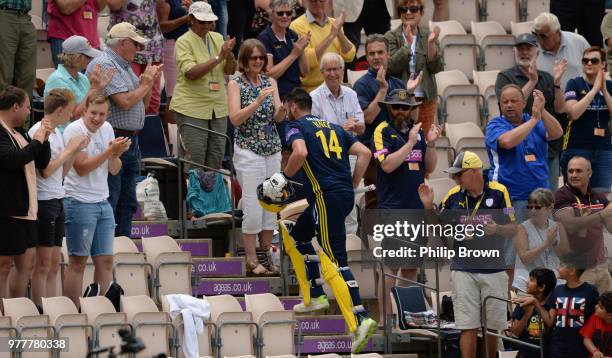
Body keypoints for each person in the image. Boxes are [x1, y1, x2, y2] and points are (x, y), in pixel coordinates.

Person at [271, 87, 376, 353]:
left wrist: (281, 180)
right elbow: (365, 153)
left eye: (285, 107)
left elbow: (300, 153)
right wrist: (352, 184)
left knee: (336, 258)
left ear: (293, 106)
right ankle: (316, 294)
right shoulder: (334, 127)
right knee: (297, 234)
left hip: (325, 197)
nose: (285, 113)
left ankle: (360, 318)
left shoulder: (295, 126)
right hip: (341, 196)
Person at [419, 150, 517, 358]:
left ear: (474, 172)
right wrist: (428, 206)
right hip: (463, 269)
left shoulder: (500, 192)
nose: (455, 179)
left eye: (459, 174)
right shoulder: (453, 196)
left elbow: (513, 227)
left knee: (492, 326)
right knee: (467, 325)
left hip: (494, 269)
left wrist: (497, 229)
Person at [86, 22, 163, 237]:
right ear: (122, 43)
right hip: (115, 139)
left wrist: (148, 82)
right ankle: (108, 248)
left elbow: (143, 104)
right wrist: (145, 85)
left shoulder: (124, 65)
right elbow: (125, 102)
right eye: (135, 44)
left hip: (131, 140)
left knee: (128, 201)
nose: (138, 49)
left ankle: (123, 246)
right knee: (113, 196)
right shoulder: (106, 64)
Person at [372, 88, 441, 322]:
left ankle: (407, 316)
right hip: (394, 208)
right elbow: (387, 166)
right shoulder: (382, 130)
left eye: (405, 107)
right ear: (388, 109)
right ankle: (384, 318)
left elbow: (429, 168)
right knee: (391, 265)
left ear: (411, 110)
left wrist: (429, 144)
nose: (400, 111)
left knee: (411, 267)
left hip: (416, 207)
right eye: (396, 107)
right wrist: (410, 143)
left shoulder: (418, 133)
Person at [62, 93, 130, 306]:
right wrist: (110, 150)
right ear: (84, 110)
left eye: (102, 114)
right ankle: (72, 312)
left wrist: (116, 155)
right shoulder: (74, 130)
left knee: (106, 261)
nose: (97, 118)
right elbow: (81, 168)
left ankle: (100, 309)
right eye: (93, 113)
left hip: (102, 201)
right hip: (78, 201)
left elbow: (114, 169)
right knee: (78, 261)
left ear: (107, 114)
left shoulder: (107, 128)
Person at [227, 39, 285, 275]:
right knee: (252, 204)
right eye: (254, 58)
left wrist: (282, 111)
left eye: (261, 57)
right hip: (248, 149)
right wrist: (257, 102)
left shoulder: (270, 81)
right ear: (244, 60)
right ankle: (251, 258)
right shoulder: (235, 84)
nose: (258, 61)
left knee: (271, 203)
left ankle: (268, 252)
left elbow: (278, 117)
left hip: (272, 147)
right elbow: (235, 119)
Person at [27, 89, 89, 306]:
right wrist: (68, 150)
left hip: (57, 197)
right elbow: (45, 171)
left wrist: (74, 151)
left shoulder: (58, 133)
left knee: (54, 262)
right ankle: (40, 307)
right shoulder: (39, 131)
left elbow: (61, 173)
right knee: (42, 263)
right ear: (61, 110)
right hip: (44, 201)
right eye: (71, 110)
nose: (72, 114)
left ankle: (52, 307)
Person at [354, 34, 420, 209]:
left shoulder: (398, 83)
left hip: (400, 149)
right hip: (375, 153)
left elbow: (413, 118)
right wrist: (382, 90)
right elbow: (367, 118)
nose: (376, 57)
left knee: (402, 198)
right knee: (377, 202)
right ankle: (373, 237)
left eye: (380, 52)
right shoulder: (361, 85)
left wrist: (411, 93)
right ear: (367, 57)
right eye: (371, 53)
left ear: (388, 54)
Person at [495, 33, 567, 191]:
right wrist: (532, 81)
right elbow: (509, 105)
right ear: (515, 52)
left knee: (548, 197)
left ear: (538, 52)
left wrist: (556, 83)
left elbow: (560, 108)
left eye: (529, 48)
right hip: (519, 146)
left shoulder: (547, 77)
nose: (524, 52)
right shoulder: (505, 76)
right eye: (520, 48)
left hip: (547, 145)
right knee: (522, 197)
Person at [170, 1, 236, 171]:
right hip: (192, 106)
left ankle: (211, 198)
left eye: (209, 22)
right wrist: (219, 57)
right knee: (196, 160)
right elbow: (191, 73)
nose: (206, 26)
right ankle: (194, 198)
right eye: (202, 21)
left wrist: (229, 57)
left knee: (216, 158)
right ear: (191, 19)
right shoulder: (183, 41)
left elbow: (229, 70)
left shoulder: (218, 37)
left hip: (217, 106)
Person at [0, 86, 51, 298]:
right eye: (27, 107)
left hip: (26, 208)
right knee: (3, 265)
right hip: (7, 209)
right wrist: (37, 140)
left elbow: (40, 161)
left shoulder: (19, 131)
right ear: (15, 107)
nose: (29, 112)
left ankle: (18, 310)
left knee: (26, 265)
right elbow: (11, 160)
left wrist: (44, 138)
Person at [311, 52, 364, 234]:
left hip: (350, 156)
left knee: (350, 208)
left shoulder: (351, 93)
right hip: (327, 160)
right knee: (330, 207)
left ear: (343, 71)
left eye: (336, 69)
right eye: (328, 70)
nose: (332, 74)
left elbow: (362, 127)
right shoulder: (314, 97)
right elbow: (313, 134)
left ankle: (350, 250)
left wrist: (356, 126)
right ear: (322, 72)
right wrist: (340, 129)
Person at [486, 85, 563, 208]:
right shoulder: (494, 124)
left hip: (541, 195)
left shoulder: (535, 119)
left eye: (513, 101)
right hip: (511, 196)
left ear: (524, 103)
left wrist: (541, 110)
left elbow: (557, 133)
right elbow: (507, 142)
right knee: (515, 227)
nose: (509, 105)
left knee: (544, 227)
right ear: (500, 106)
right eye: (504, 102)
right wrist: (533, 120)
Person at [515, 255, 599, 358]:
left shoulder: (590, 291)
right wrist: (535, 302)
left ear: (572, 270)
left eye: (562, 265)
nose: (558, 268)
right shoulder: (557, 290)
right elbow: (550, 321)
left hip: (580, 346)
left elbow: (596, 317)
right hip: (558, 346)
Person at [554, 156, 612, 294]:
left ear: (589, 173)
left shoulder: (599, 196)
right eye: (570, 171)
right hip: (578, 271)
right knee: (581, 314)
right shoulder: (561, 195)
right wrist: (602, 214)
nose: (573, 175)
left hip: (601, 267)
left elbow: (610, 228)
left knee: (607, 314)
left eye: (578, 171)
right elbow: (570, 226)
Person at [384, 0, 442, 134]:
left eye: (413, 9)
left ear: (421, 12)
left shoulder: (428, 35)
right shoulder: (391, 36)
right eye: (404, 10)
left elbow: (436, 68)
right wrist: (407, 46)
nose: (408, 13)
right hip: (401, 101)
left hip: (425, 99)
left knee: (424, 143)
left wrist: (431, 44)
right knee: (401, 140)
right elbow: (391, 67)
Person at [562, 47, 612, 191]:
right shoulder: (574, 83)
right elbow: (573, 113)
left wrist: (604, 91)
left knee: (601, 198)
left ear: (603, 64)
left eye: (594, 60)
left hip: (604, 149)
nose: (589, 63)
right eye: (585, 60)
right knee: (576, 197)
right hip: (577, 148)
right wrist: (594, 90)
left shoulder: (609, 86)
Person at [107, 0, 164, 116]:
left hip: (153, 43)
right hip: (126, 44)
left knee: (153, 98)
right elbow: (114, 4)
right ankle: (132, 129)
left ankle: (149, 130)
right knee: (131, 90)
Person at [44, 35, 114, 129]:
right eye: (88, 56)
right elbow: (73, 116)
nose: (91, 59)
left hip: (82, 133)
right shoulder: (57, 80)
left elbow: (90, 108)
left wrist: (99, 88)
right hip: (63, 138)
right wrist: (93, 89)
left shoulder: (82, 77)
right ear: (77, 57)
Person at [289, 0, 356, 92]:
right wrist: (331, 36)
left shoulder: (334, 23)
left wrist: (339, 33)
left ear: (327, 2)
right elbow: (307, 62)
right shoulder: (296, 25)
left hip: (337, 86)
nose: (318, 3)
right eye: (314, 1)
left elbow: (350, 56)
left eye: (321, 1)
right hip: (312, 89)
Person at [512, 188, 570, 293]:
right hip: (527, 285)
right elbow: (525, 258)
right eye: (530, 207)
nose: (533, 211)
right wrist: (546, 244)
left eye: (537, 207)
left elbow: (566, 255)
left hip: (553, 284)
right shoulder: (522, 228)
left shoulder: (558, 226)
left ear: (550, 207)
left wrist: (555, 243)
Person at [257, 0, 309, 99]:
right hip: (277, 96)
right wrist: (293, 55)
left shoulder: (293, 35)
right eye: (280, 13)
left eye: (289, 13)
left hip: (296, 95)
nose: (285, 16)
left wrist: (301, 51)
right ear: (271, 15)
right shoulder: (264, 38)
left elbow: (305, 73)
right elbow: (269, 74)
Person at [534, 12, 590, 94]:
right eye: (535, 34)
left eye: (543, 36)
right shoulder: (532, 48)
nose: (540, 41)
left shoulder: (579, 42)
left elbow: (597, 67)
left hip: (581, 99)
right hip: (548, 103)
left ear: (557, 33)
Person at [510, 267, 558, 358]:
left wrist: (536, 303)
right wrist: (527, 314)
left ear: (541, 287)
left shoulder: (551, 306)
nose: (527, 282)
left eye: (531, 280)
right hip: (524, 354)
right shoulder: (523, 304)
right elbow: (515, 332)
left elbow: (549, 323)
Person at [156, 0, 191, 121]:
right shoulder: (163, 2)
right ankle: (171, 136)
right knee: (174, 94)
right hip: (171, 46)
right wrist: (185, 18)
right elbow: (162, 26)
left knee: (182, 92)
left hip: (183, 44)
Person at [46, 0, 106, 67]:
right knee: (67, 76)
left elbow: (99, 7)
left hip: (90, 38)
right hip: (66, 37)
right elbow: (66, 8)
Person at [0, 0, 36, 105]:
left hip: (25, 16)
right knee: (4, 77)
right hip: (4, 13)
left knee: (27, 77)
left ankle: (22, 119)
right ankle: (3, 118)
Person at [580, 291, 612, 357]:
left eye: (600, 307)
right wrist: (595, 351)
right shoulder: (595, 317)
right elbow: (587, 338)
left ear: (609, 315)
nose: (596, 306)